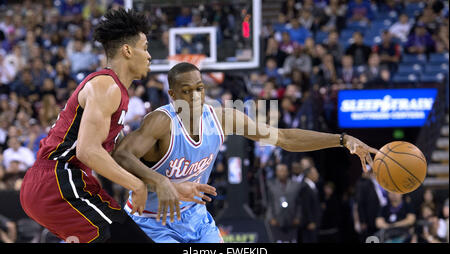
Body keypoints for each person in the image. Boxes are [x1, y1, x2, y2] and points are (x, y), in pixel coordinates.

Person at [112, 62, 378, 243]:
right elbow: (121, 155)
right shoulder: (161, 123)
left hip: (195, 217)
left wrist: (342, 140)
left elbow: (284, 137)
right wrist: (159, 181)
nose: (195, 96)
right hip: (151, 220)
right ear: (172, 94)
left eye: (199, 89)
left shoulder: (222, 118)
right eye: (186, 91)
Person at [19, 8, 207, 244]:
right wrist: (136, 185)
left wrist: (169, 185)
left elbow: (116, 157)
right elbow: (87, 151)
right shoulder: (107, 86)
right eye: (145, 47)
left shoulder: (116, 91)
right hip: (57, 181)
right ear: (127, 50)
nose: (149, 56)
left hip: (64, 183)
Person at [266, 163, 301, 243]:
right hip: (277, 219)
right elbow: (269, 203)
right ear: (276, 172)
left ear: (288, 172)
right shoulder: (271, 185)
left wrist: (298, 217)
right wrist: (271, 217)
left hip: (292, 219)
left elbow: (299, 203)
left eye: (284, 171)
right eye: (280, 171)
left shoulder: (296, 185)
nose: (282, 173)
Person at [298, 166, 321, 243]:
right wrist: (310, 221)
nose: (318, 174)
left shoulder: (311, 186)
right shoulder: (305, 187)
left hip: (313, 222)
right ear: (309, 175)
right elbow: (305, 206)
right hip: (309, 224)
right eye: (315, 173)